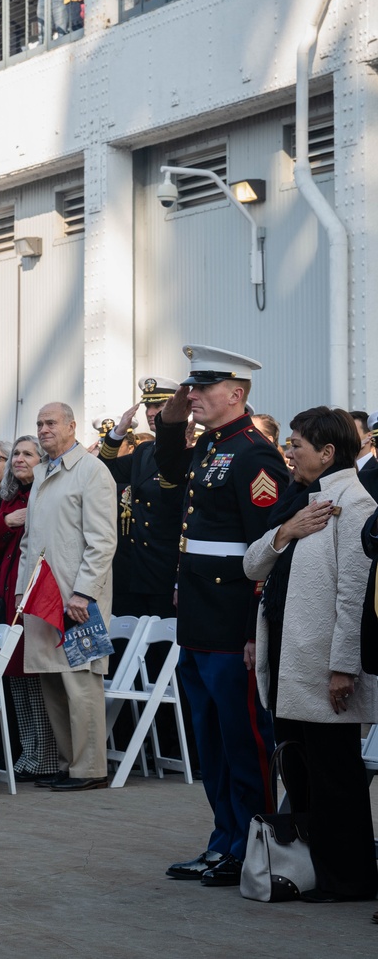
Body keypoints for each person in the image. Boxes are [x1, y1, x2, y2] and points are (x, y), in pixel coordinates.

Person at [156, 345, 287, 888]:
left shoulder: (254, 454)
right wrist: (168, 419)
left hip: (233, 620)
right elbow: (167, 472)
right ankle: (225, 840)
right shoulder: (212, 445)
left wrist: (256, 625)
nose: (193, 396)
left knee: (242, 739)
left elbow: (270, 548)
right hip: (200, 622)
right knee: (210, 737)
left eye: (204, 389)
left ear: (236, 394)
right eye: (190, 387)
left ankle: (257, 844)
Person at [244, 406, 377, 903]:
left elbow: (353, 595)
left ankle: (350, 880)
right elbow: (252, 562)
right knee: (300, 770)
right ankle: (313, 868)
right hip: (289, 661)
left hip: (323, 667)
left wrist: (344, 666)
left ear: (326, 452)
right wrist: (287, 530)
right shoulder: (305, 498)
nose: (289, 451)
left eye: (297, 444)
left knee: (334, 776)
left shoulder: (356, 503)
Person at [17, 402, 117, 791]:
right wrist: (21, 591)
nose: (43, 429)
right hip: (43, 599)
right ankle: (66, 762)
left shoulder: (92, 472)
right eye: (39, 423)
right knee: (52, 682)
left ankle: (89, 768)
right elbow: (30, 541)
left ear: (72, 426)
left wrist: (84, 592)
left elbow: (103, 542)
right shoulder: (42, 471)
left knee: (80, 682)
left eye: (51, 423)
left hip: (77, 601)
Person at [0, 435, 59, 783]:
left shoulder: (47, 494)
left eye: (28, 453)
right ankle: (29, 753)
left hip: (37, 596)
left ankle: (45, 756)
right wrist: (7, 521)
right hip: (10, 599)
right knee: (15, 678)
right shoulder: (12, 499)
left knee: (35, 678)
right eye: (16, 454)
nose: (19, 459)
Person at [99, 378, 186, 618]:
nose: (150, 413)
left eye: (158, 407)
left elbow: (176, 503)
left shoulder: (192, 448)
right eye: (148, 407)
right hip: (136, 570)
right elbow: (105, 472)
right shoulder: (144, 450)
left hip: (166, 569)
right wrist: (118, 433)